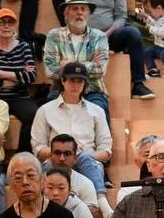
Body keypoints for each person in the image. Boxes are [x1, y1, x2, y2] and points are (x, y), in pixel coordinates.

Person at [69, 0, 156, 101]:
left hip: (110, 36)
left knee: (132, 32)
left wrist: (107, 34)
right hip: (83, 38)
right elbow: (70, 15)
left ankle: (138, 84)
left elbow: (121, 15)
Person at [31, 63, 111, 193]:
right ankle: (101, 202)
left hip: (88, 162)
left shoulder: (97, 111)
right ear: (63, 81)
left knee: (88, 162)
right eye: (72, 80)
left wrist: (83, 156)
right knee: (57, 161)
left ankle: (99, 202)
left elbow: (106, 150)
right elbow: (38, 149)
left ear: (85, 84)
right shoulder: (45, 110)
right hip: (56, 161)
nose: (76, 85)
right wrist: (63, 153)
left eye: (80, 81)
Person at [0, 7, 38, 154]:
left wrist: (3, 73)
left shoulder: (24, 47)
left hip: (20, 96)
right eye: (2, 22)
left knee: (34, 115)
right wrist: (18, 76)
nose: (6, 26)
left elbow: (31, 77)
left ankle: (23, 155)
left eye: (10, 23)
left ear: (15, 26)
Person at [42, 0, 111, 114]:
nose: (79, 12)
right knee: (48, 110)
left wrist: (68, 65)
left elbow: (100, 70)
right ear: (66, 14)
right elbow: (49, 70)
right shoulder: (54, 35)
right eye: (74, 9)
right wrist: (88, 64)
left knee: (100, 110)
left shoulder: (99, 37)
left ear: (88, 14)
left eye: (83, 9)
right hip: (61, 89)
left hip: (92, 89)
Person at [44, 134, 111, 218]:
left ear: (75, 158)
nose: (62, 158)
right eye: (57, 153)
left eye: (67, 154)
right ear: (50, 156)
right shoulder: (40, 181)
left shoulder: (86, 183)